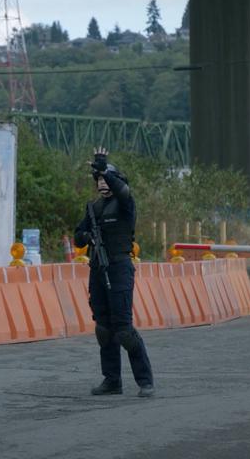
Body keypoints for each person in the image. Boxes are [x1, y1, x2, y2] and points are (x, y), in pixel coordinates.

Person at [74, 148, 154, 398]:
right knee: (104, 328)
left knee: (123, 329)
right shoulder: (94, 208)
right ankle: (112, 380)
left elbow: (122, 189)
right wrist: (85, 236)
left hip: (119, 268)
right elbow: (77, 237)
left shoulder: (125, 204)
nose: (101, 183)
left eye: (105, 179)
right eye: (98, 179)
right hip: (97, 269)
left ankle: (145, 381)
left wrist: (104, 169)